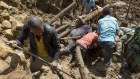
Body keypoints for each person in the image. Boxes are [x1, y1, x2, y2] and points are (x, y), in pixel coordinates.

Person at [97, 7, 119, 75]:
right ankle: (104, 71)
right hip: (110, 42)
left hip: (100, 41)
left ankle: (104, 54)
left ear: (103, 14)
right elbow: (117, 32)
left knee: (104, 45)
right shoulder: (115, 19)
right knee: (107, 57)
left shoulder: (100, 21)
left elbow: (99, 32)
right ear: (110, 13)